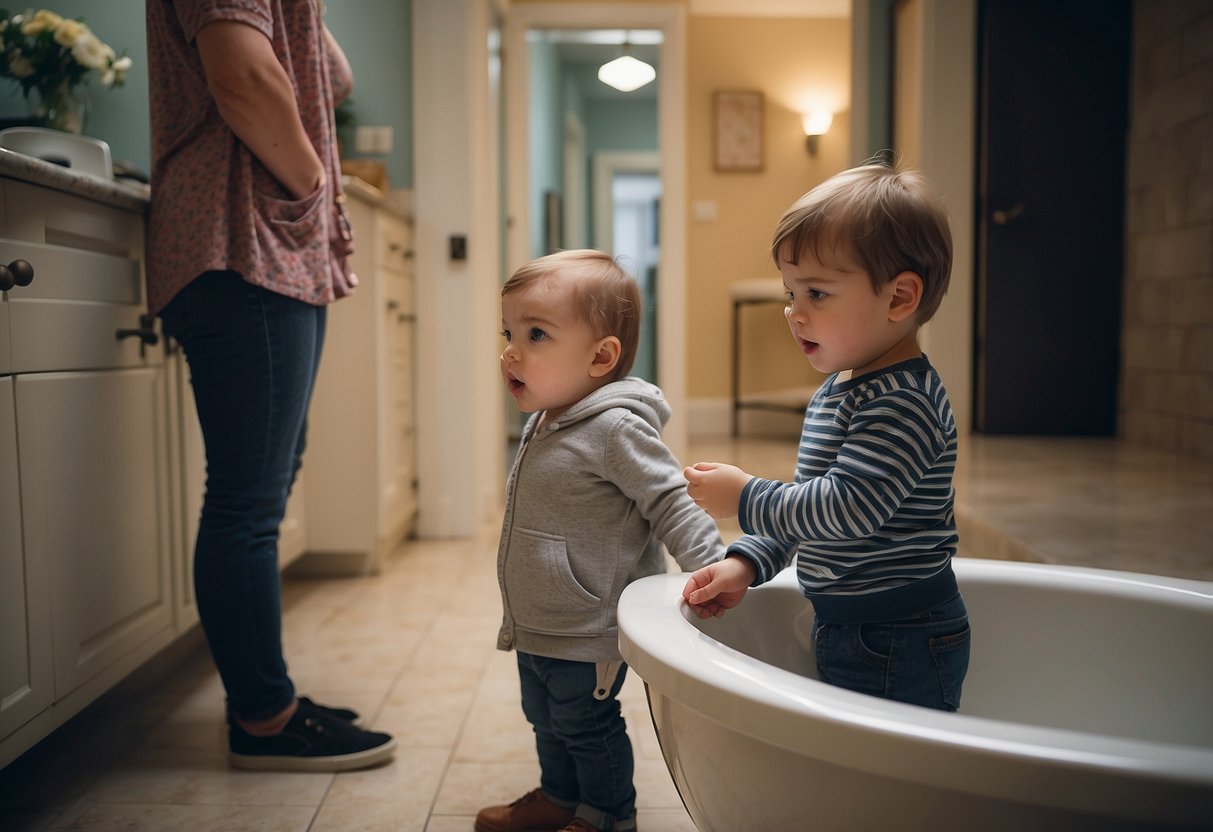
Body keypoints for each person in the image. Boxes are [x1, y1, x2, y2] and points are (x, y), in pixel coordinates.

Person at [145, 0, 395, 770]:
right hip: (241, 238)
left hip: (260, 245)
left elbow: (336, 76)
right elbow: (245, 73)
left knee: (262, 488)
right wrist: (315, 179)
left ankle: (266, 697)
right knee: (247, 502)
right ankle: (264, 716)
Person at [681, 162, 971, 712]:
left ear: (900, 298)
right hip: (858, 625)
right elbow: (809, 508)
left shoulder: (902, 402)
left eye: (817, 292)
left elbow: (845, 510)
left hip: (899, 636)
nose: (794, 313)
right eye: (791, 292)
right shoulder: (844, 389)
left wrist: (745, 497)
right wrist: (746, 563)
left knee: (889, 773)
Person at [477, 250, 725, 832]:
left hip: (589, 623)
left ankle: (608, 814)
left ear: (600, 357)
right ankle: (560, 799)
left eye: (535, 334)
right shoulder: (546, 415)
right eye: (508, 332)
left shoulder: (615, 427)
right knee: (543, 716)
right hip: (540, 617)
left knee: (586, 724)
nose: (511, 351)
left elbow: (670, 499)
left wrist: (714, 566)